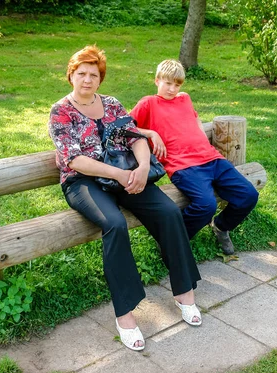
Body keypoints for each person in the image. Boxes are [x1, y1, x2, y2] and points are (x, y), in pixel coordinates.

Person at [48, 46, 202, 352]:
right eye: (82, 74)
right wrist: (121, 176)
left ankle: (184, 292)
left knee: (169, 212)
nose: (88, 80)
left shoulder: (112, 104)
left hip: (126, 174)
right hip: (84, 183)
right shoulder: (60, 111)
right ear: (71, 76)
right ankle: (126, 314)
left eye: (94, 74)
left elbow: (133, 137)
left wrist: (143, 167)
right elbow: (75, 160)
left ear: (100, 78)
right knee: (115, 224)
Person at [130, 59, 259, 255]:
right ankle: (171, 239)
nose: (172, 89)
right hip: (182, 166)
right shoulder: (148, 103)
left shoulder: (184, 98)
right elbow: (124, 127)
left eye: (177, 84)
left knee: (248, 195)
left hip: (212, 159)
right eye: (168, 83)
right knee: (206, 205)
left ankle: (221, 227)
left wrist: (201, 140)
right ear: (157, 80)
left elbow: (194, 117)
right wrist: (151, 133)